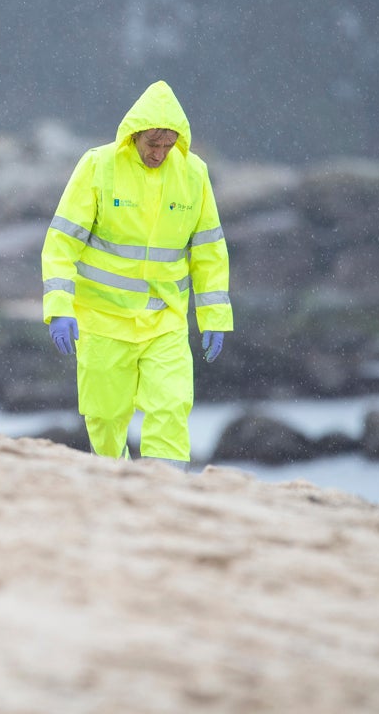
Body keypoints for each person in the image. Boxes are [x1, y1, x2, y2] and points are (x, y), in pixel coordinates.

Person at [41, 80, 232, 468]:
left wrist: (215, 316)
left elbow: (209, 251)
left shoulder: (194, 173)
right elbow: (61, 243)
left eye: (167, 145)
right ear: (134, 137)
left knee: (171, 406)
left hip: (165, 318)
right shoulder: (98, 165)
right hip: (103, 319)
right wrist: (58, 307)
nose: (159, 153)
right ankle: (112, 481)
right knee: (106, 416)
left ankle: (167, 488)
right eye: (152, 145)